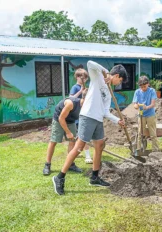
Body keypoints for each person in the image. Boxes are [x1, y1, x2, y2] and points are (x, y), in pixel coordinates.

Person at [52, 61, 127, 195]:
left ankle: (95, 177)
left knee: (99, 146)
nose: (118, 83)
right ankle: (59, 177)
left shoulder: (109, 92)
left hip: (98, 119)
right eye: (119, 80)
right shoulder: (98, 77)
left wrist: (117, 121)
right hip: (87, 116)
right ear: (116, 75)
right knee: (79, 148)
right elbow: (89, 63)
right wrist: (107, 73)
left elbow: (105, 112)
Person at [42, 90, 88, 176]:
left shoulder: (87, 107)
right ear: (84, 98)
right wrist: (68, 132)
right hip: (59, 119)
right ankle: (47, 164)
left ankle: (70, 164)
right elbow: (61, 118)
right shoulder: (71, 103)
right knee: (54, 141)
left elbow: (83, 120)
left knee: (72, 141)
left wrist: (80, 133)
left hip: (71, 121)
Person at [69, 68, 92, 164]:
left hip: (85, 114)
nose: (83, 79)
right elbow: (70, 98)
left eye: (85, 78)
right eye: (81, 77)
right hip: (76, 115)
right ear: (77, 77)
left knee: (81, 136)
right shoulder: (75, 87)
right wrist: (80, 91)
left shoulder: (87, 88)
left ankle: (75, 152)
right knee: (81, 136)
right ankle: (87, 155)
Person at [132, 76, 159, 151]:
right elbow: (134, 104)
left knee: (152, 133)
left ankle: (155, 150)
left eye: (145, 86)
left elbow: (153, 104)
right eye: (141, 87)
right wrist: (136, 106)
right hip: (141, 115)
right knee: (140, 133)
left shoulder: (152, 91)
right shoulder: (137, 92)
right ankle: (138, 149)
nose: (143, 88)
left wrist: (146, 107)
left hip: (150, 114)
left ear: (148, 84)